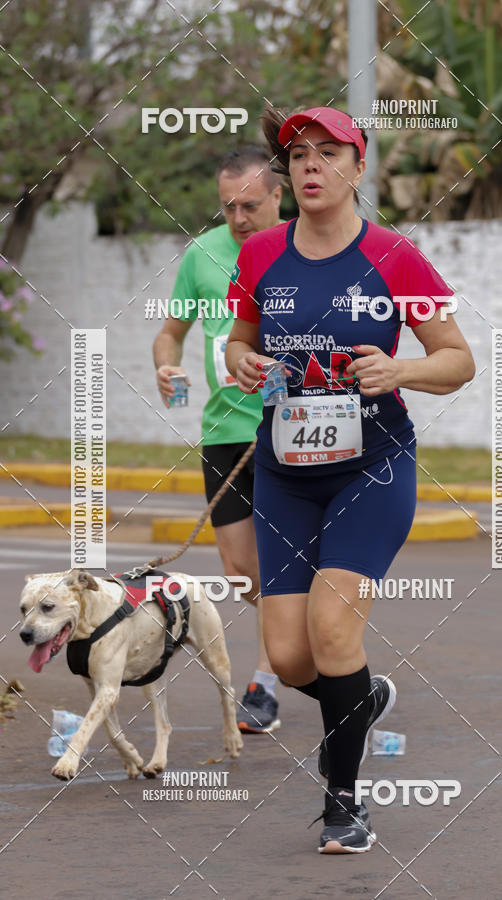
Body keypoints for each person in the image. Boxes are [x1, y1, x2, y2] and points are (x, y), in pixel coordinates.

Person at [225, 106, 475, 853]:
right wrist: (240, 360)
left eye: (329, 153)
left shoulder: (396, 255)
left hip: (373, 465)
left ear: (358, 168)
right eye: (298, 154)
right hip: (284, 472)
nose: (310, 166)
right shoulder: (261, 253)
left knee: (333, 632)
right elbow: (239, 339)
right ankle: (361, 696)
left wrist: (403, 368)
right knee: (293, 656)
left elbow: (458, 358)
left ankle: (344, 802)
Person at [153, 146, 284, 733]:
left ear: (277, 196)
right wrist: (166, 366)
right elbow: (171, 330)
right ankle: (302, 631)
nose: (238, 218)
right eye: (228, 206)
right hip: (223, 431)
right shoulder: (203, 254)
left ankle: (267, 682)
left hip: (288, 430)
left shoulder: (298, 249)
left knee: (284, 560)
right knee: (239, 570)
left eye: (250, 205)